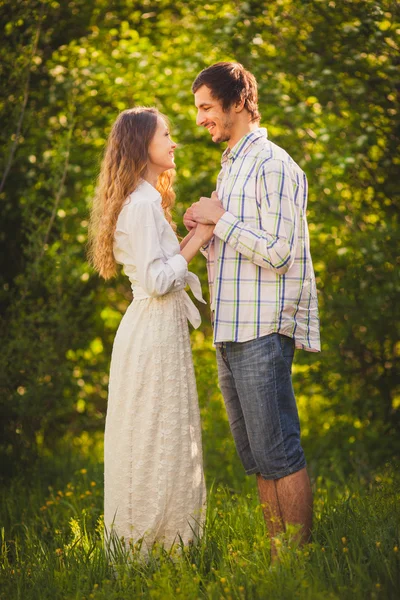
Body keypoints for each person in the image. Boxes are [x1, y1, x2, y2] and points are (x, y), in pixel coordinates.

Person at [184, 62, 320, 557]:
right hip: (230, 330)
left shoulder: (273, 164)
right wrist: (204, 227)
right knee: (259, 459)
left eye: (205, 107)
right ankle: (277, 556)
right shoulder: (231, 165)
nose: (200, 119)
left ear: (237, 102)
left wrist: (220, 219)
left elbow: (281, 253)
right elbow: (237, 247)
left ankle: (299, 562)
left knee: (280, 452)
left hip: (263, 329)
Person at [88, 107, 213, 555]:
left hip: (159, 329)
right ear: (144, 144)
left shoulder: (143, 199)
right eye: (166, 134)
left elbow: (160, 268)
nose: (174, 141)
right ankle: (152, 547)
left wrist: (191, 236)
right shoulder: (140, 205)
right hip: (152, 330)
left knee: (165, 431)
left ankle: (168, 544)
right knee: (154, 433)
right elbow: (160, 282)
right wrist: (202, 236)